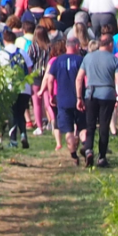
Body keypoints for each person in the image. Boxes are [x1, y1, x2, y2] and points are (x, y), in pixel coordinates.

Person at [77, 25, 118, 167]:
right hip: (108, 95)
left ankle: (89, 149)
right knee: (104, 126)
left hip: (90, 94)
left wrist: (79, 97)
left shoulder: (88, 58)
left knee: (90, 125)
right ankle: (102, 157)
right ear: (110, 44)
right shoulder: (115, 60)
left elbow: (79, 79)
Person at [45, 31, 86, 159]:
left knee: (68, 130)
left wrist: (52, 96)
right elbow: (86, 79)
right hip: (80, 99)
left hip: (63, 100)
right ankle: (86, 148)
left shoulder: (57, 61)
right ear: (76, 46)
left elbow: (50, 80)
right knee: (82, 127)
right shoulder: (81, 60)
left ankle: (73, 155)